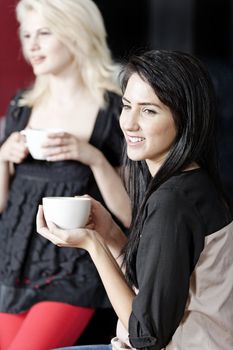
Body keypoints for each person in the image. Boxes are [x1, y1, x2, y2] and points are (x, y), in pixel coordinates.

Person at [37, 50, 233, 350]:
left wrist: (93, 245)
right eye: (127, 106)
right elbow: (151, 289)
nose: (128, 123)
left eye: (148, 111)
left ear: (185, 119)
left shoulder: (173, 203)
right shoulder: (191, 183)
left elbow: (146, 335)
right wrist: (112, 236)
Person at [0, 0, 131, 349]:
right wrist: (2, 159)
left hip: (76, 267)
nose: (32, 44)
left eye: (45, 32)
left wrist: (93, 158)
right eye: (27, 34)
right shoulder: (21, 107)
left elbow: (131, 213)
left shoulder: (115, 108)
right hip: (13, 264)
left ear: (76, 33)